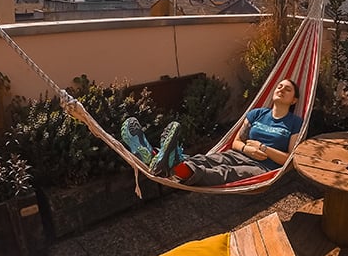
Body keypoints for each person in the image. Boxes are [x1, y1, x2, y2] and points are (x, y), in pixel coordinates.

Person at [121, 78, 303, 186]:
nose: (281, 90)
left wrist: (263, 148)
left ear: (294, 100)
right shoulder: (257, 114)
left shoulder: (295, 122)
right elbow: (237, 142)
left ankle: (167, 163)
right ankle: (160, 158)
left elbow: (290, 158)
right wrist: (246, 149)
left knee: (225, 173)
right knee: (205, 159)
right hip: (239, 154)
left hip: (264, 168)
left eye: (288, 89)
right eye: (279, 86)